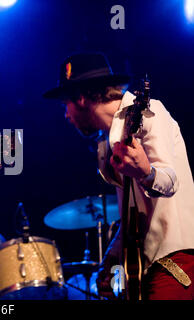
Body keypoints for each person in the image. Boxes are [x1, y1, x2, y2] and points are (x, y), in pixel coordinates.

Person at [43, 52, 194, 300]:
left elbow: (171, 181)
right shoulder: (107, 143)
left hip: (174, 263)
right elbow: (131, 216)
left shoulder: (148, 112)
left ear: (80, 98)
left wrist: (146, 172)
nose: (65, 115)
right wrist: (110, 258)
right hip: (144, 269)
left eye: (65, 105)